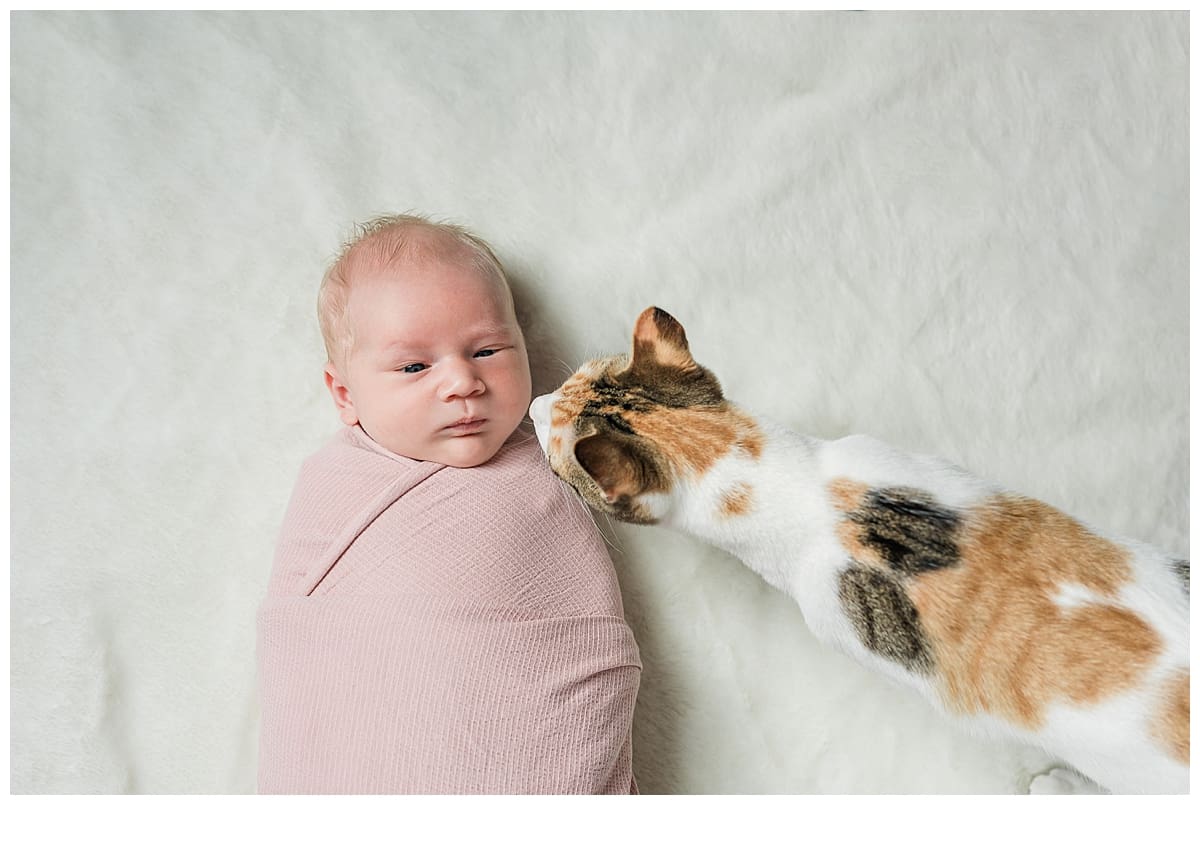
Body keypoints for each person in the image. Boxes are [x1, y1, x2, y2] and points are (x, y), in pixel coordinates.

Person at [257, 214, 641, 794]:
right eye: (414, 366)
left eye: (487, 350)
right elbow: (307, 660)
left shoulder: (550, 460)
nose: (463, 381)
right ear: (345, 394)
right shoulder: (334, 487)